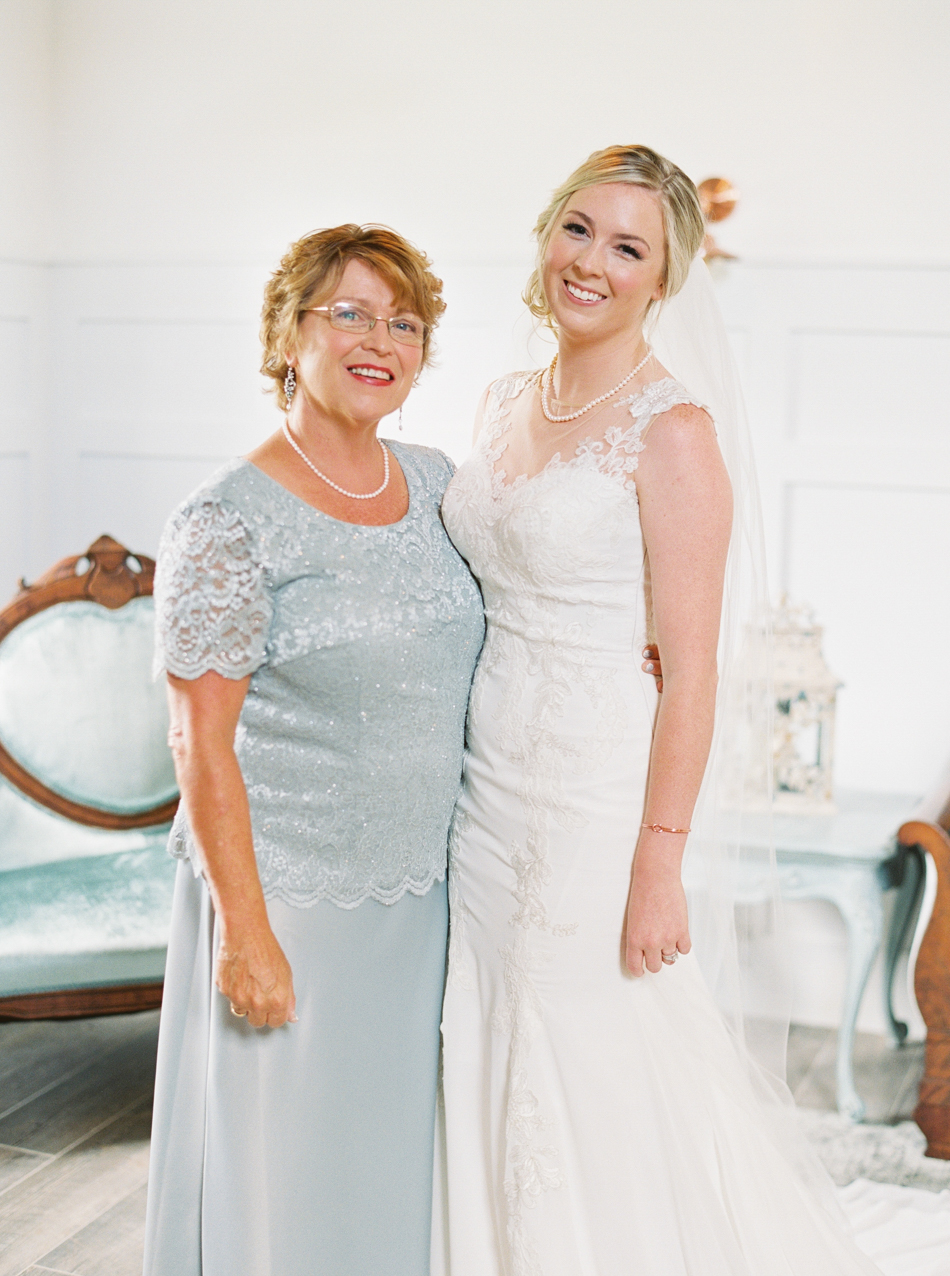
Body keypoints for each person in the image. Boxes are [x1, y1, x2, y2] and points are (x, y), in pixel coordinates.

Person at [435, 146, 885, 1274]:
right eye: (577, 229)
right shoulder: (499, 401)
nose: (591, 262)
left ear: (662, 279)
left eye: (627, 247)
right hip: (483, 785)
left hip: (591, 795)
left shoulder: (671, 431)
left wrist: (658, 862)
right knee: (489, 1028)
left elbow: (691, 673)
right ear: (545, 234)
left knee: (590, 1044)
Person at [142, 224, 485, 1276]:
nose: (378, 338)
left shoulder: (437, 484)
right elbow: (199, 749)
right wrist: (246, 935)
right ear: (289, 334)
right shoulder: (225, 521)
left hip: (426, 899)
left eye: (403, 320)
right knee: (294, 1188)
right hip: (294, 910)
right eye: (348, 312)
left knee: (397, 1184)